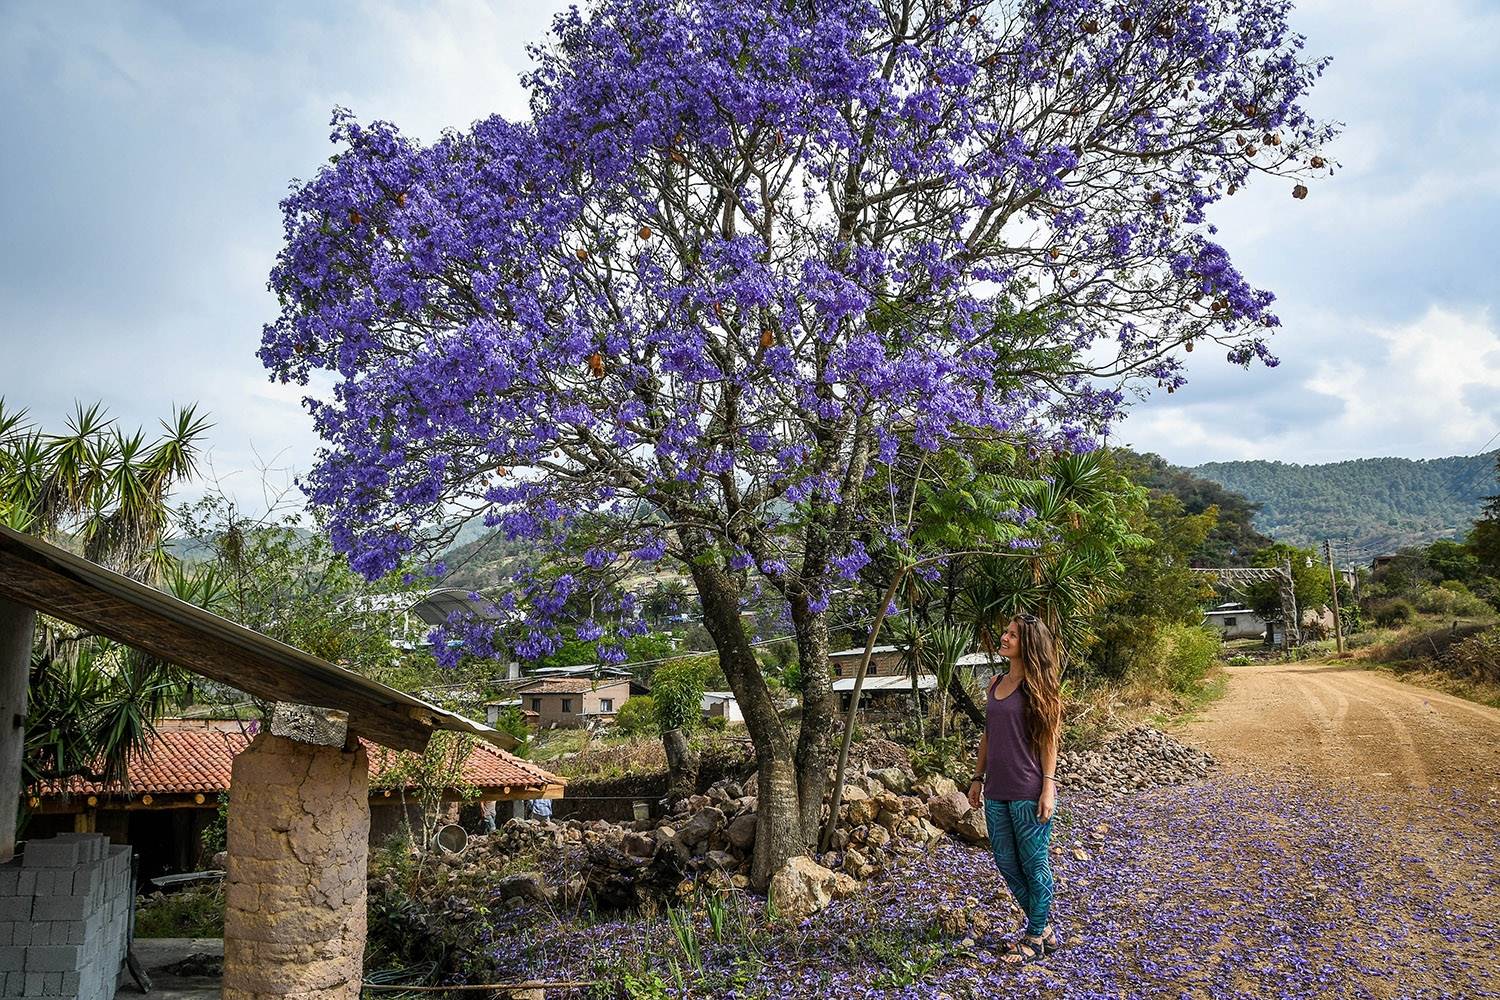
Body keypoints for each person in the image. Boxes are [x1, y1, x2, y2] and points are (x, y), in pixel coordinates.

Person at [967, 613, 1064, 965]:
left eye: (1012, 635)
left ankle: (1035, 937)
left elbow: (1049, 742)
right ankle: (1045, 928)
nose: (1004, 638)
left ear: (1029, 645)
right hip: (996, 791)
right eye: (1005, 633)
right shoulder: (994, 683)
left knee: (1035, 865)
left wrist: (1048, 787)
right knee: (1007, 863)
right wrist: (977, 778)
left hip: (1028, 790)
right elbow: (989, 736)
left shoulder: (1040, 689)